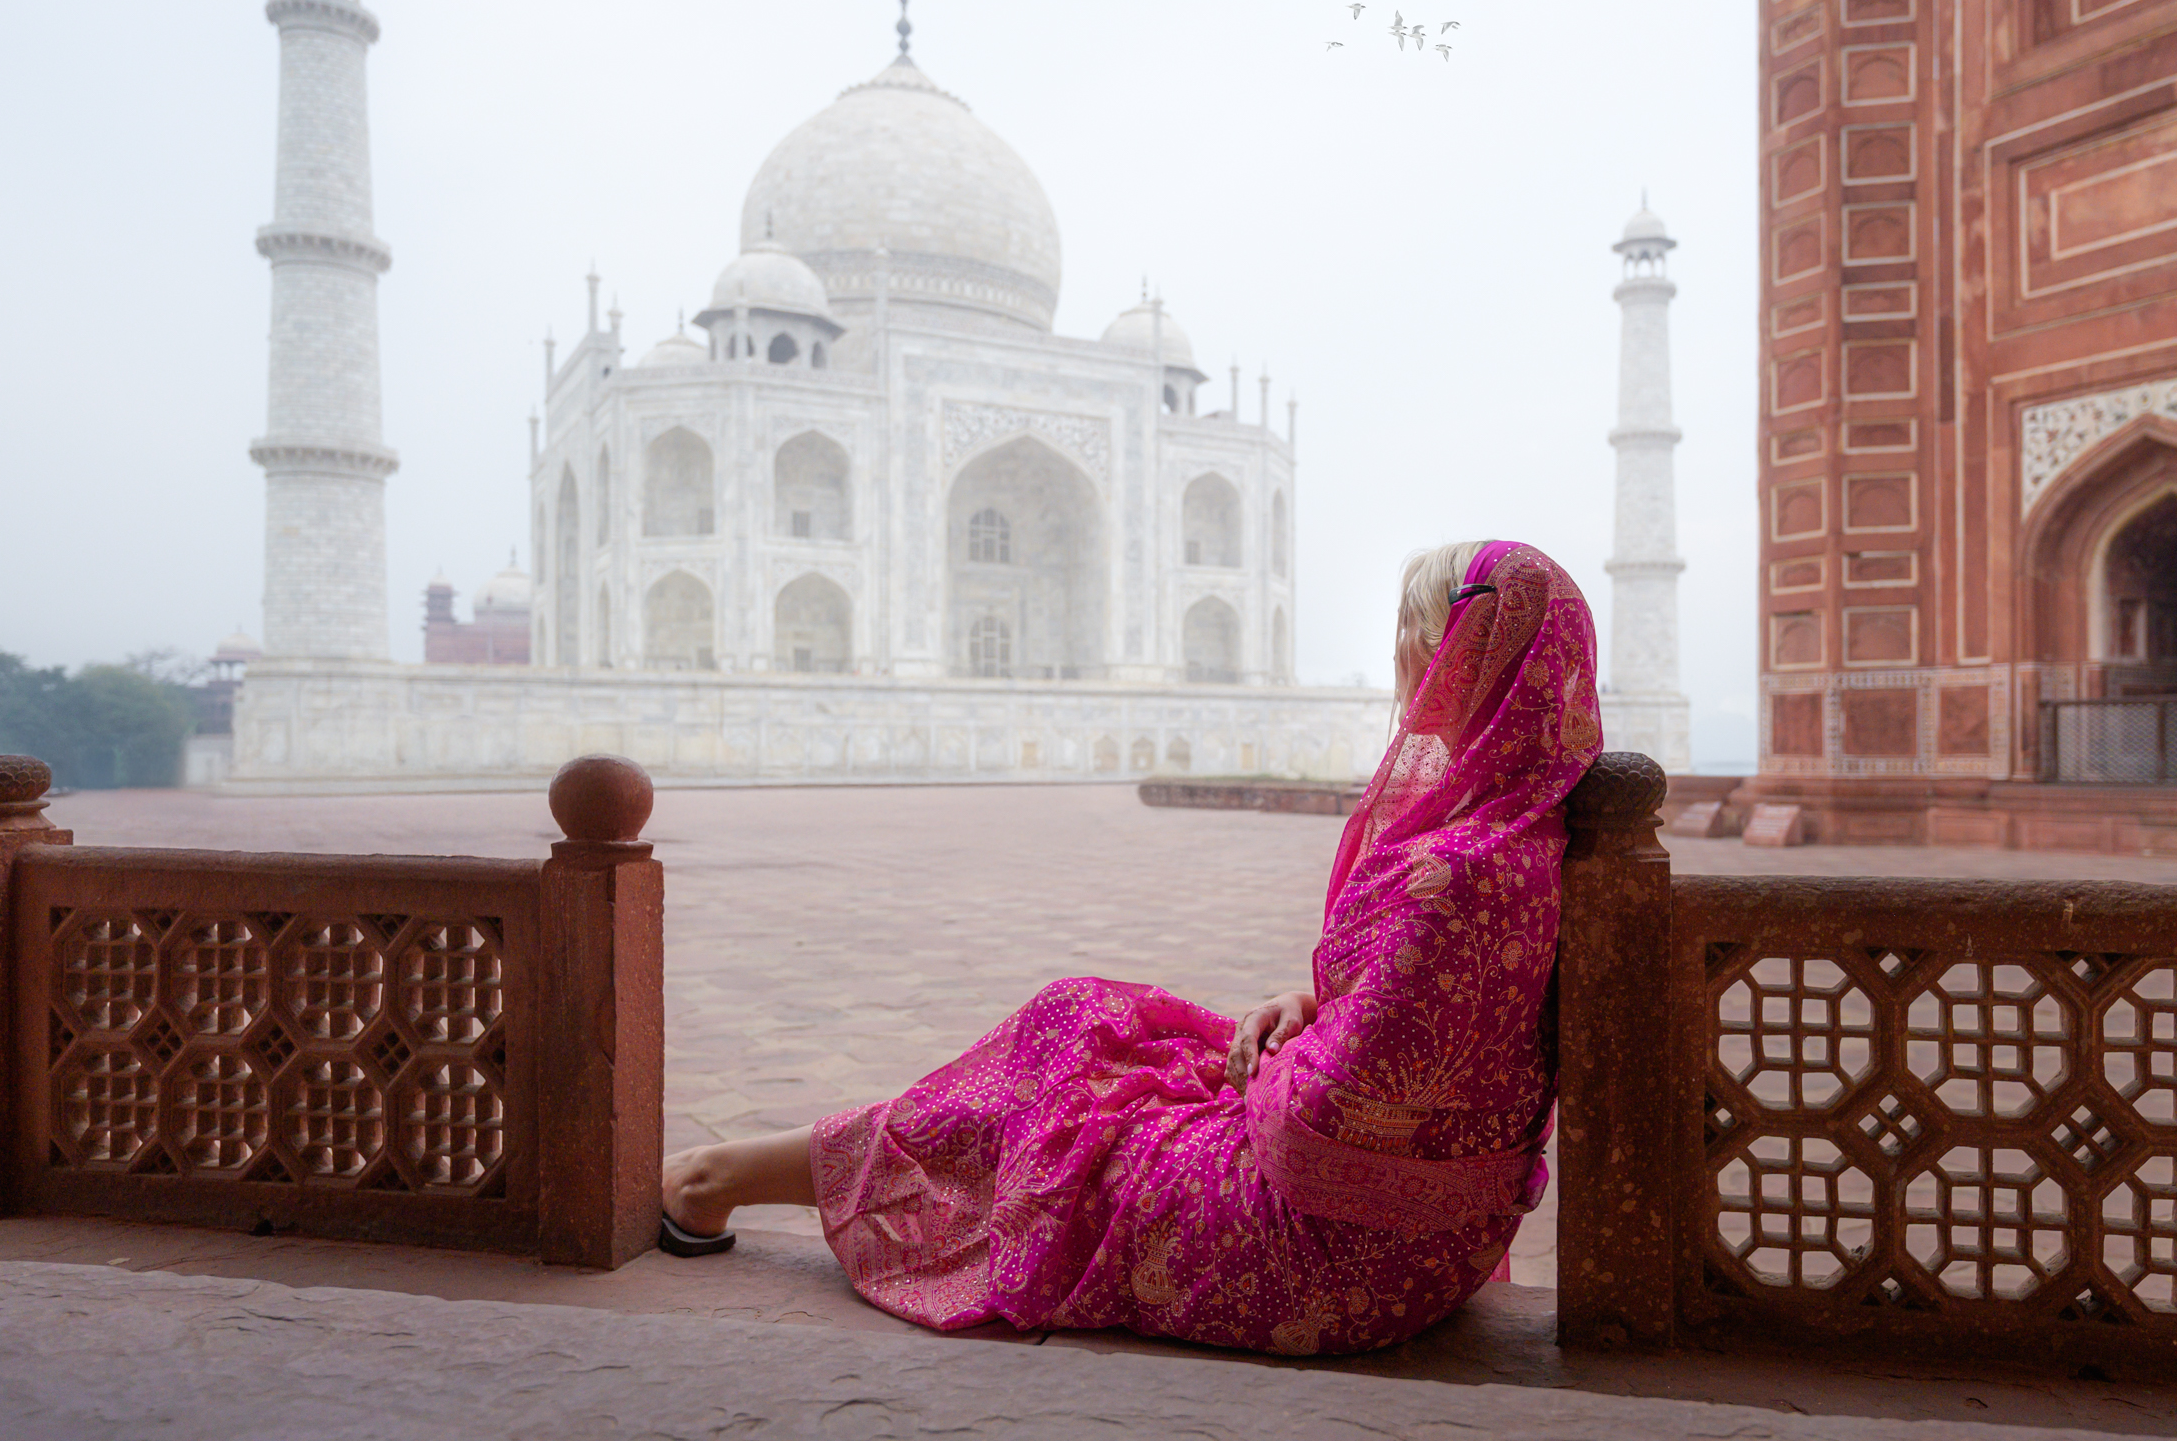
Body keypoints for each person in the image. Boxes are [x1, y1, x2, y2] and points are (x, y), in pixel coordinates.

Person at [658, 538, 1601, 1355]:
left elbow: (1333, 1126)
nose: (1402, 656)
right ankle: (737, 1176)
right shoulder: (1514, 831)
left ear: (1464, 649)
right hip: (1418, 1233)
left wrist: (1265, 1068)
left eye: (1415, 632)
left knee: (1060, 1111)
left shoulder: (1455, 871)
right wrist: (1305, 1008)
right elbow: (1429, 1031)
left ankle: (717, 1178)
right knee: (1079, 1028)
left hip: (1334, 1248)